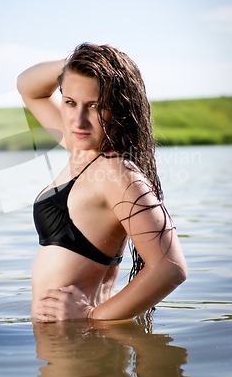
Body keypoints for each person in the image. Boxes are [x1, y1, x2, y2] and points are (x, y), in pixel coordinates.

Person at [17, 42, 187, 322]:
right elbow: (28, 86)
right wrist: (78, 64)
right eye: (70, 102)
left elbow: (171, 268)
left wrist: (91, 316)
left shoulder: (117, 173)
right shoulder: (79, 147)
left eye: (95, 106)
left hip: (81, 345)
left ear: (119, 108)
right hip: (63, 344)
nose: (79, 120)